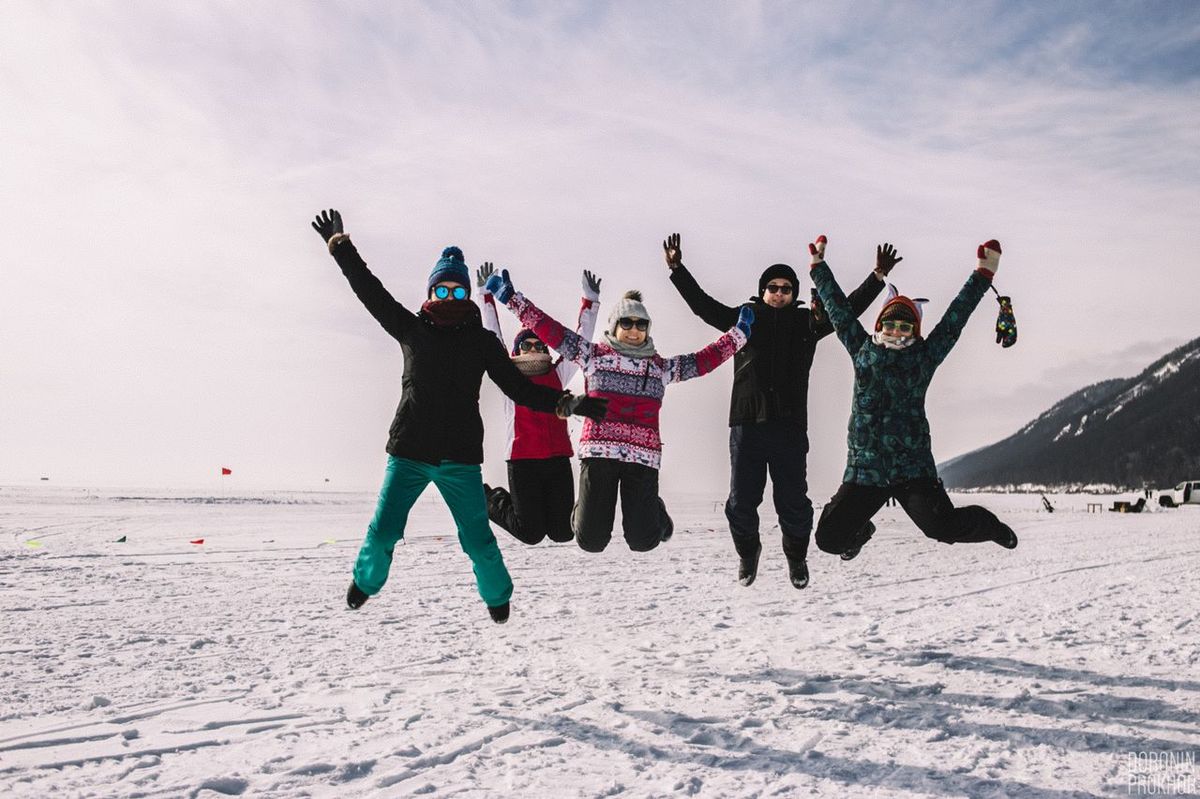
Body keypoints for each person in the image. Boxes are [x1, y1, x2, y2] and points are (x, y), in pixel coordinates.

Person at [310, 209, 607, 624]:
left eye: (457, 292)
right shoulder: (411, 329)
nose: (449, 299)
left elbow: (519, 388)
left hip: (460, 459)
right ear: (431, 292)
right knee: (382, 532)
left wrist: (564, 405)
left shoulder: (482, 343)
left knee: (478, 540)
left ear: (466, 295)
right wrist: (341, 248)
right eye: (442, 291)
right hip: (409, 452)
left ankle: (497, 596)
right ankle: (366, 582)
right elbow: (370, 291)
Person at [663, 233, 891, 589]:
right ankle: (747, 553)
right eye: (773, 287)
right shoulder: (745, 319)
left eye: (786, 288)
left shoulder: (809, 323)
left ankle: (796, 558)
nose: (780, 292)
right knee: (740, 503)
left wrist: (876, 279)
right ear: (763, 290)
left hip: (788, 426)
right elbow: (703, 307)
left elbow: (846, 311)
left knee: (794, 505)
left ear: (794, 293)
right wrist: (678, 270)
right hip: (747, 425)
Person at [486, 267, 753, 552]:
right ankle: (584, 509)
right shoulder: (592, 356)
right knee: (590, 541)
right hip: (599, 454)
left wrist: (738, 335)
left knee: (642, 541)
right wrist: (511, 299)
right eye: (627, 323)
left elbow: (702, 360)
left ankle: (655, 510)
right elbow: (551, 331)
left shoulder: (660, 368)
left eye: (641, 325)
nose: (634, 330)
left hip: (643, 458)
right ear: (615, 326)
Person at [808, 235, 1019, 559]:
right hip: (866, 471)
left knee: (942, 528)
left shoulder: (924, 356)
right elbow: (838, 311)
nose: (896, 330)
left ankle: (990, 527)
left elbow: (954, 319)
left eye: (905, 326)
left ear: (915, 330)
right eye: (890, 324)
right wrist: (818, 268)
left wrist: (983, 274)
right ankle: (861, 531)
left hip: (913, 470)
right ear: (880, 324)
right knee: (829, 539)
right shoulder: (863, 350)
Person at [475, 262, 602, 545]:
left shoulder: (557, 374)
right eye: (527, 345)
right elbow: (492, 336)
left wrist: (590, 303)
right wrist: (485, 296)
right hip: (523, 462)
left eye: (539, 346)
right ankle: (487, 497)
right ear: (516, 350)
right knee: (530, 533)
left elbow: (579, 346)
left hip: (557, 459)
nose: (533, 349)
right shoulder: (509, 377)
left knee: (563, 532)